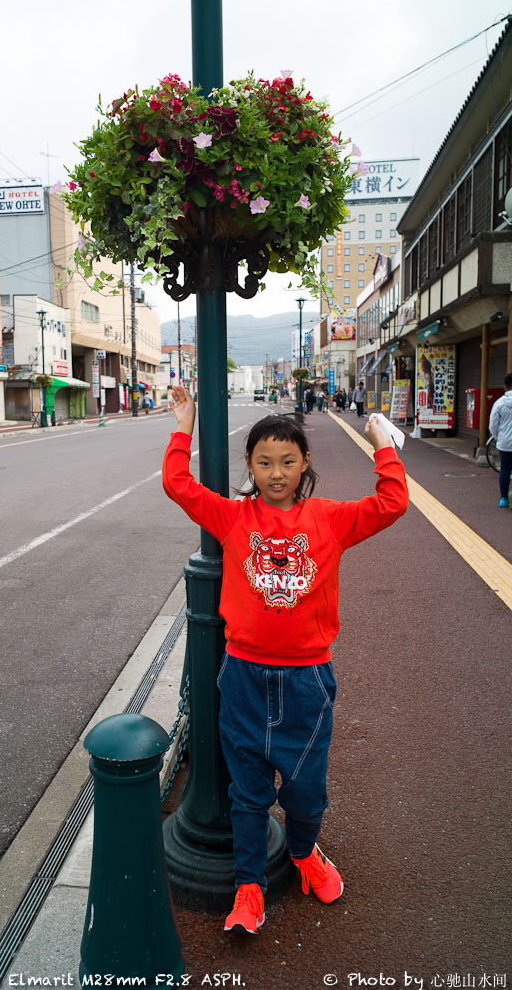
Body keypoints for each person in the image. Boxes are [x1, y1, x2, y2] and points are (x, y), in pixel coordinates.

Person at [163, 387, 408, 935]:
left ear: (304, 465)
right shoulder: (232, 517)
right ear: (249, 465)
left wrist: (381, 445)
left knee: (304, 788)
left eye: (288, 462)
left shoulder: (328, 519)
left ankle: (303, 853)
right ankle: (248, 887)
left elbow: (392, 504)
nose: (277, 473)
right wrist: (185, 426)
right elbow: (177, 484)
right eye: (265, 462)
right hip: (244, 677)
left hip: (307, 681)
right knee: (247, 793)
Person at [489, 372, 512, 508]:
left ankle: (504, 498)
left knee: (505, 470)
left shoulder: (499, 403)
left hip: (504, 443)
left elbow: (493, 425)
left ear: (505, 386)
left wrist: (498, 437)